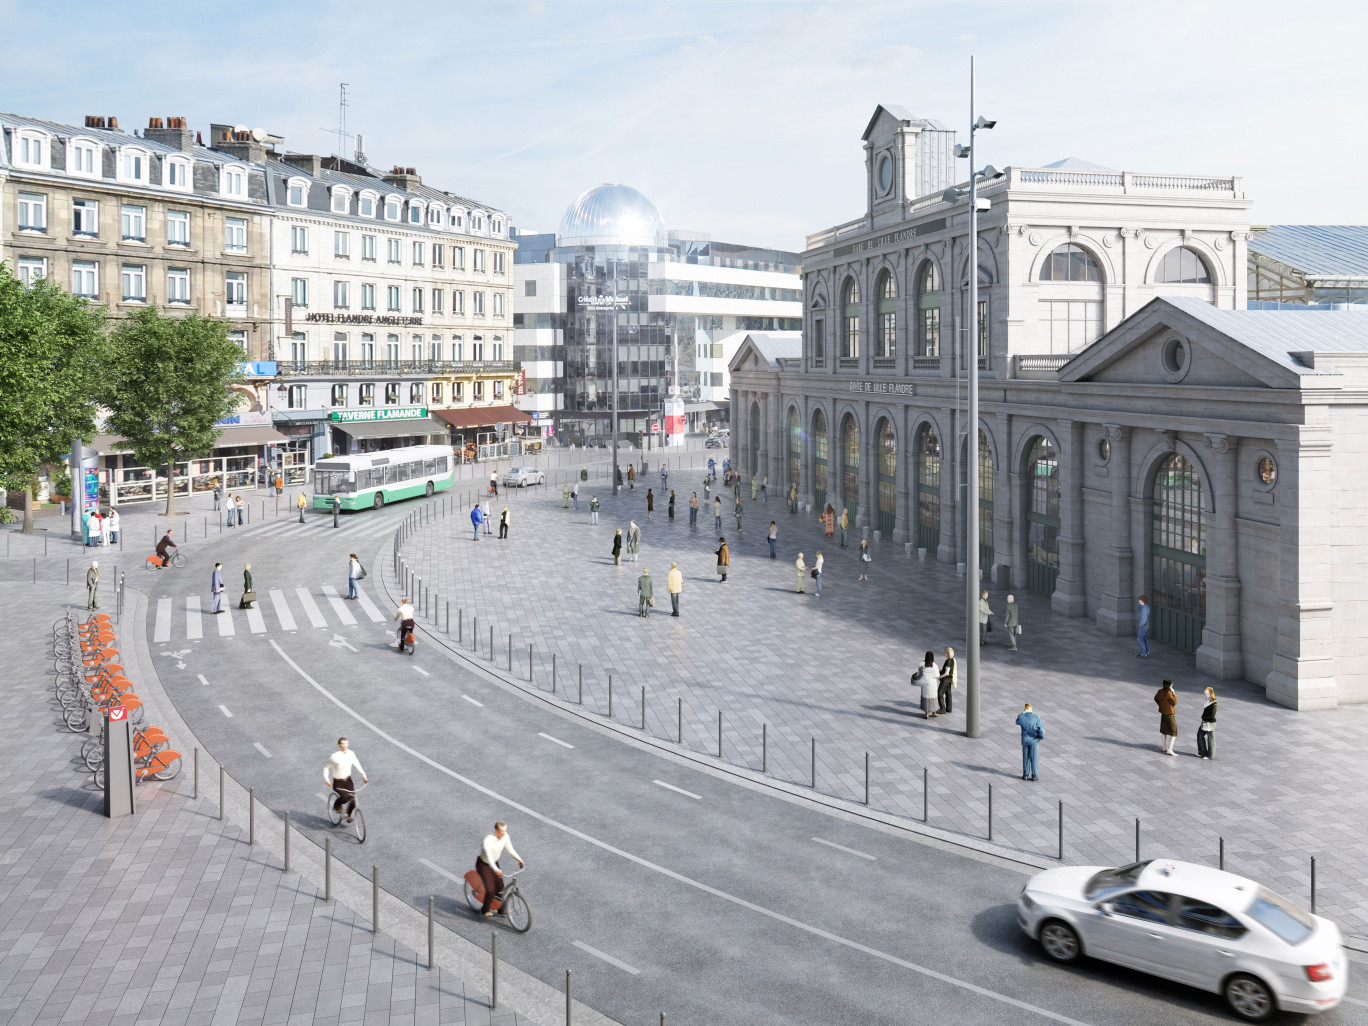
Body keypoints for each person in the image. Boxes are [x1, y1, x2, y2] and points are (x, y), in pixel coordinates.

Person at [475, 821, 524, 918]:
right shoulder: (488, 840)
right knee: (491, 889)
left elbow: (511, 850)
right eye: (501, 831)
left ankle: (501, 909)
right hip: (484, 864)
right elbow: (489, 857)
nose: (503, 833)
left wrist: (520, 860)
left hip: (495, 863)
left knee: (500, 887)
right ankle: (485, 910)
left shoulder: (505, 836)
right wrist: (496, 869)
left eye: (505, 831)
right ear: (496, 830)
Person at [324, 737, 367, 823]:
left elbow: (357, 764)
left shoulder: (351, 753)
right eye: (343, 744)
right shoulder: (334, 757)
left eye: (346, 743)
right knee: (344, 797)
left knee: (353, 800)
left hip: (348, 781)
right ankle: (336, 805)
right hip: (338, 782)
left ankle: (347, 815)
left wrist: (363, 775)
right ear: (339, 745)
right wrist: (327, 779)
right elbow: (326, 768)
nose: (345, 745)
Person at [1016, 703, 1044, 781]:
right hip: (1034, 740)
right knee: (1034, 758)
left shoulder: (1021, 716)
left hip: (1025, 740)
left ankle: (1025, 775)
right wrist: (1040, 737)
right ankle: (1034, 776)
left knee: (1026, 757)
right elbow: (1041, 729)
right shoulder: (1036, 717)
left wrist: (1022, 714)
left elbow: (1017, 722)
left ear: (1025, 709)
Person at [1155, 678, 1178, 755]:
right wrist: (1173, 693)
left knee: (1164, 730)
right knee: (1174, 732)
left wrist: (1161, 705)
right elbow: (1174, 702)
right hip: (1170, 715)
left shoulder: (1160, 691)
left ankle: (1164, 747)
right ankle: (1170, 749)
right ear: (1169, 685)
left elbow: (1156, 698)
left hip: (1163, 714)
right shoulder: (1169, 693)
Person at [912, 651, 937, 718]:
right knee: (933, 698)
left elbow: (919, 675)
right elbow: (937, 675)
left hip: (925, 684)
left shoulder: (921, 664)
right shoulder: (934, 665)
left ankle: (927, 714)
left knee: (926, 698)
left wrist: (915, 678)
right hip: (932, 684)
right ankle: (934, 712)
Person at [1197, 686, 1217, 760]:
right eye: (1205, 693)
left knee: (1211, 739)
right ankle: (1202, 752)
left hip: (1210, 723)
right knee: (1199, 735)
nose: (1205, 695)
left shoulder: (1214, 704)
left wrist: (1204, 718)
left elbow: (1212, 716)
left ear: (1211, 693)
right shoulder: (1207, 700)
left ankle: (1210, 755)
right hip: (1204, 722)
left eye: (1207, 693)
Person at [938, 647, 956, 715]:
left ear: (947, 653)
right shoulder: (952, 660)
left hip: (945, 680)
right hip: (949, 679)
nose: (945, 654)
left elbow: (947, 673)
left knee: (940, 693)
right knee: (948, 694)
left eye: (945, 652)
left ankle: (942, 709)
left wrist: (940, 676)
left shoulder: (948, 661)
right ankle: (949, 708)